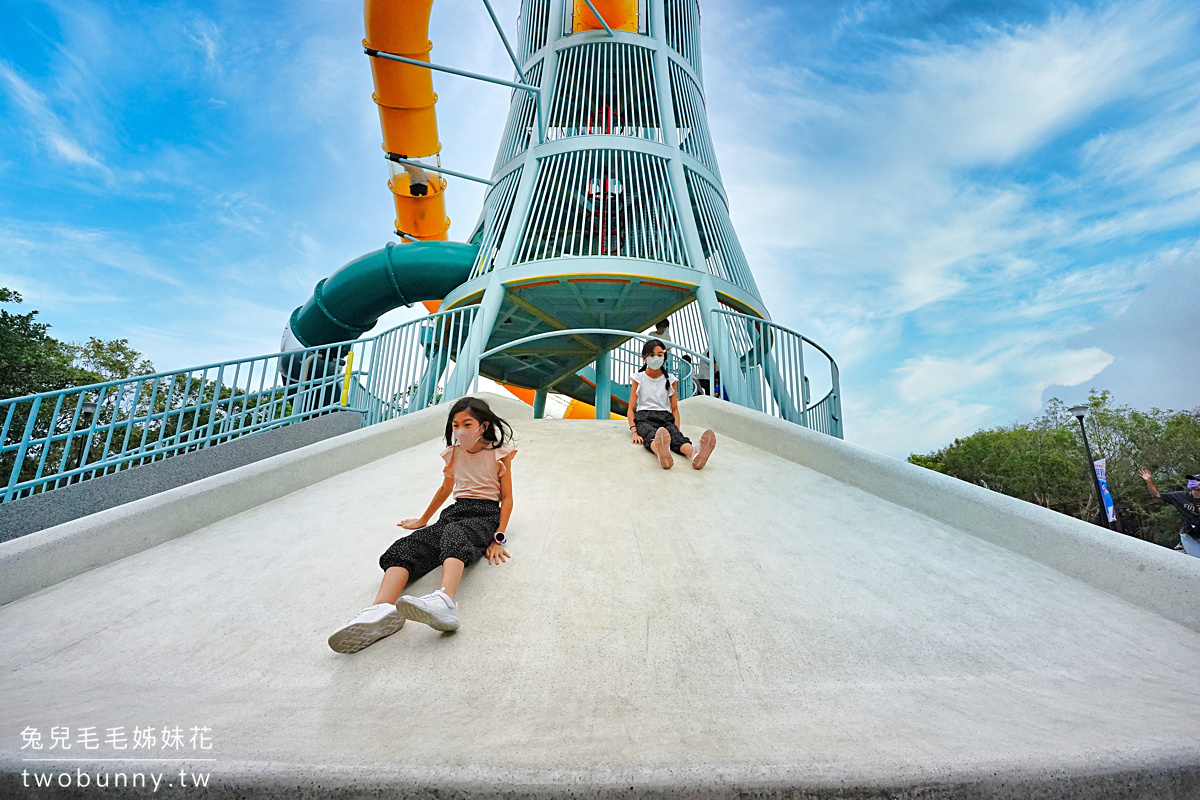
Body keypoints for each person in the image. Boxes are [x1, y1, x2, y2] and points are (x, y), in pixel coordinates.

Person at [328, 397, 516, 653]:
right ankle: (380, 610)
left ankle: (445, 602)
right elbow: (446, 489)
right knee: (406, 546)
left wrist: (498, 536)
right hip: (456, 511)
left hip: (484, 514)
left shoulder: (498, 452)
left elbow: (507, 498)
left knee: (454, 535)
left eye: (467, 423)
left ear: (483, 426)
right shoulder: (454, 453)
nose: (460, 430)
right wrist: (423, 520)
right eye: (455, 424)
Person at [628, 338, 716, 470]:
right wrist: (634, 432)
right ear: (644, 358)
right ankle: (662, 453)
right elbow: (631, 408)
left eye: (659, 355)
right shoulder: (638, 378)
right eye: (651, 355)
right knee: (650, 435)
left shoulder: (671, 379)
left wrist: (676, 429)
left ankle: (695, 453)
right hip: (644, 417)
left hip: (665, 418)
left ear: (664, 357)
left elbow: (675, 409)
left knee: (676, 437)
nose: (656, 358)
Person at [1140, 470, 1200, 556]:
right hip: (1189, 536)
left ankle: (1182, 550)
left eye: (1195, 480)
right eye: (1191, 480)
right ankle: (1183, 548)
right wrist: (1149, 481)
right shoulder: (1180, 496)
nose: (1191, 482)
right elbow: (1156, 495)